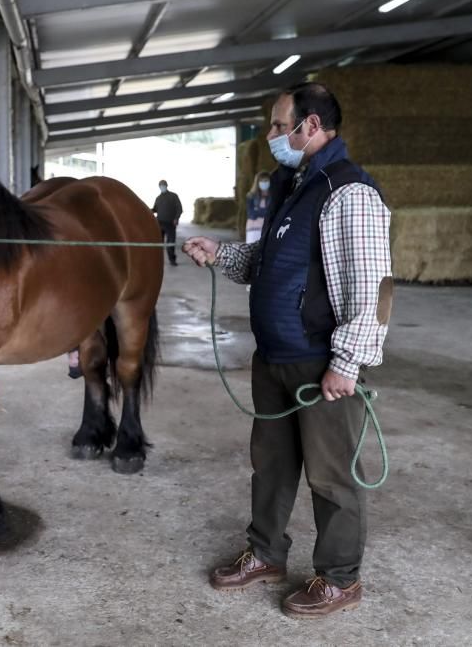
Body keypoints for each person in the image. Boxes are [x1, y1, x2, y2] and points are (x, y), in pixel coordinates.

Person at [183, 82, 393, 619]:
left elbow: (370, 286)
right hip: (275, 356)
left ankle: (340, 578)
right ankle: (267, 553)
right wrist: (221, 254)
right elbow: (267, 262)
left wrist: (347, 363)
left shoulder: (350, 192)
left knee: (330, 474)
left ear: (312, 126)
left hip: (320, 363)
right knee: (270, 465)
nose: (272, 135)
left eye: (280, 126)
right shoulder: (295, 186)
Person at [152, 179, 182, 266]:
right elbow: (155, 209)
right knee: (158, 244)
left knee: (170, 243)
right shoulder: (158, 198)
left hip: (170, 224)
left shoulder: (173, 196)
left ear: (166, 186)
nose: (162, 187)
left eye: (163, 185)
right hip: (159, 223)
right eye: (161, 186)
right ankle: (158, 261)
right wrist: (147, 210)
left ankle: (172, 260)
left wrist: (176, 218)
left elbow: (179, 208)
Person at [245, 171, 272, 243]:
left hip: (268, 229)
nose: (264, 183)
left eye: (266, 181)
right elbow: (251, 214)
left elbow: (272, 213)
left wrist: (258, 210)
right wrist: (266, 211)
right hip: (253, 228)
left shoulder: (274, 197)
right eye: (261, 181)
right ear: (257, 182)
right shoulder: (250, 196)